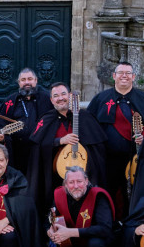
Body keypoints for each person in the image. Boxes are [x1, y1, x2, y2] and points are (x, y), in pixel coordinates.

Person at [85, 62, 144, 217]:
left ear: (133, 77)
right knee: (109, 192)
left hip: (138, 159)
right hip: (108, 160)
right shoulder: (100, 99)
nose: (124, 76)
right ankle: (110, 223)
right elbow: (89, 127)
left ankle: (133, 222)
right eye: (120, 73)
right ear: (114, 76)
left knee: (136, 193)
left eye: (128, 73)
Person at [27, 82, 106, 216]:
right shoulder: (46, 119)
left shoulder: (86, 117)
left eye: (63, 94)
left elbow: (98, 148)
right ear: (51, 100)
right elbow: (36, 147)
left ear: (70, 96)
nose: (60, 98)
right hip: (53, 179)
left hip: (84, 176)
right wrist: (59, 141)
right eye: (56, 96)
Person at [0, 68, 53, 172]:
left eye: (30, 79)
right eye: (23, 80)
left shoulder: (48, 99)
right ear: (19, 82)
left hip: (40, 150)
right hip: (17, 151)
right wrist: (0, 135)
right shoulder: (10, 101)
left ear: (36, 80)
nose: (27, 82)